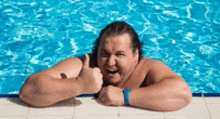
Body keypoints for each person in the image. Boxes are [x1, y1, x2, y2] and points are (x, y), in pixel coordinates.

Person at [19, 21, 192, 111]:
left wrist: (125, 97)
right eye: (104, 54)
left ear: (135, 55)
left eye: (119, 54)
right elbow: (28, 90)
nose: (109, 62)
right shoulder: (86, 65)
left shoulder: (147, 69)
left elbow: (182, 94)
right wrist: (78, 84)